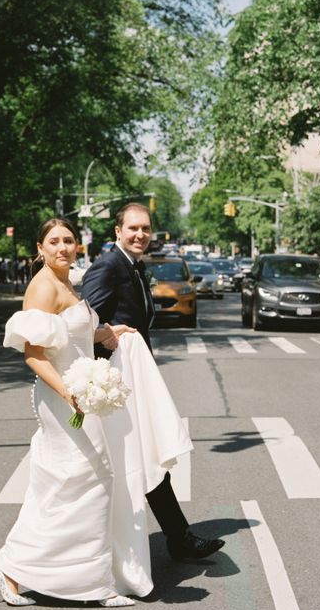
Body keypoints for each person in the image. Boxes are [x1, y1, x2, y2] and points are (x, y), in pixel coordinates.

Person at [0, 217, 140, 607]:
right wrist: (70, 393)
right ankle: (23, 569)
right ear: (39, 248)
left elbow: (70, 334)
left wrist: (106, 333)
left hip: (80, 391)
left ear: (78, 246)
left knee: (75, 482)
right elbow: (34, 354)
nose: (62, 248)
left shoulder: (68, 283)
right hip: (62, 396)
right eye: (53, 241)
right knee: (89, 477)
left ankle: (73, 577)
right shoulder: (41, 287)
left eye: (68, 241)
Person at [81, 202, 225, 562]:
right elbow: (84, 323)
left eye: (145, 229)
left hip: (129, 379)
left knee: (146, 458)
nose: (140, 235)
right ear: (117, 231)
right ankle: (102, 545)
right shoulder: (108, 266)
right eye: (133, 229)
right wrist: (107, 333)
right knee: (132, 460)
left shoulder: (131, 266)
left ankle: (177, 538)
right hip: (113, 383)